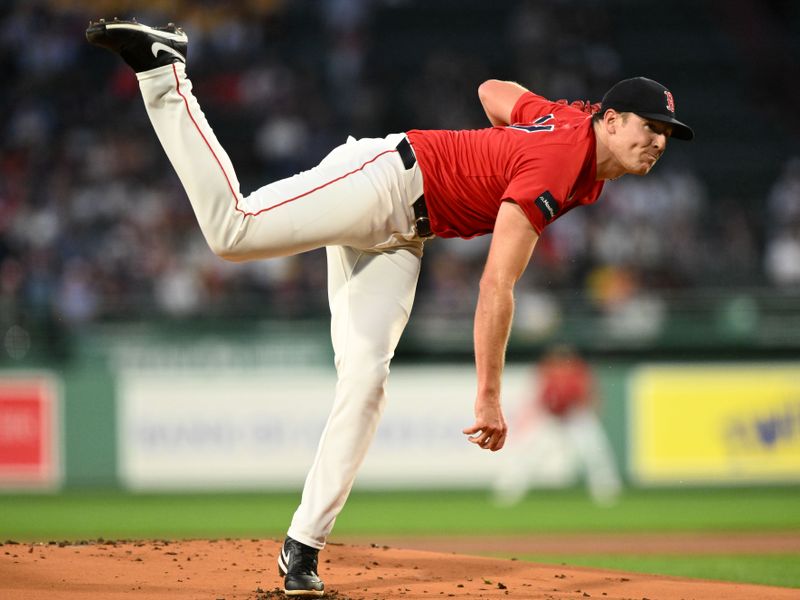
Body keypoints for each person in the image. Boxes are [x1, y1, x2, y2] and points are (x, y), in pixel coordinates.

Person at [85, 18, 694, 597]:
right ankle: (166, 75)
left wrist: (508, 146)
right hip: (385, 179)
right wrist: (487, 395)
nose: (659, 140)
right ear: (610, 120)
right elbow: (495, 286)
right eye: (650, 126)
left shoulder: (574, 134)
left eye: (668, 133)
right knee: (232, 231)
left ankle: (303, 546)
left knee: (366, 379)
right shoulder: (561, 160)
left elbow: (493, 92)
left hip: (405, 233)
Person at [492, 344, 622, 507]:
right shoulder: (547, 370)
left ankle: (607, 491)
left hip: (576, 416)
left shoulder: (578, 371)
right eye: (558, 357)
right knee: (528, 454)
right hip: (552, 417)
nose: (561, 361)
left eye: (564, 357)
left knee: (595, 453)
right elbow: (538, 397)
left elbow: (591, 395)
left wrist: (589, 411)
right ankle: (507, 491)